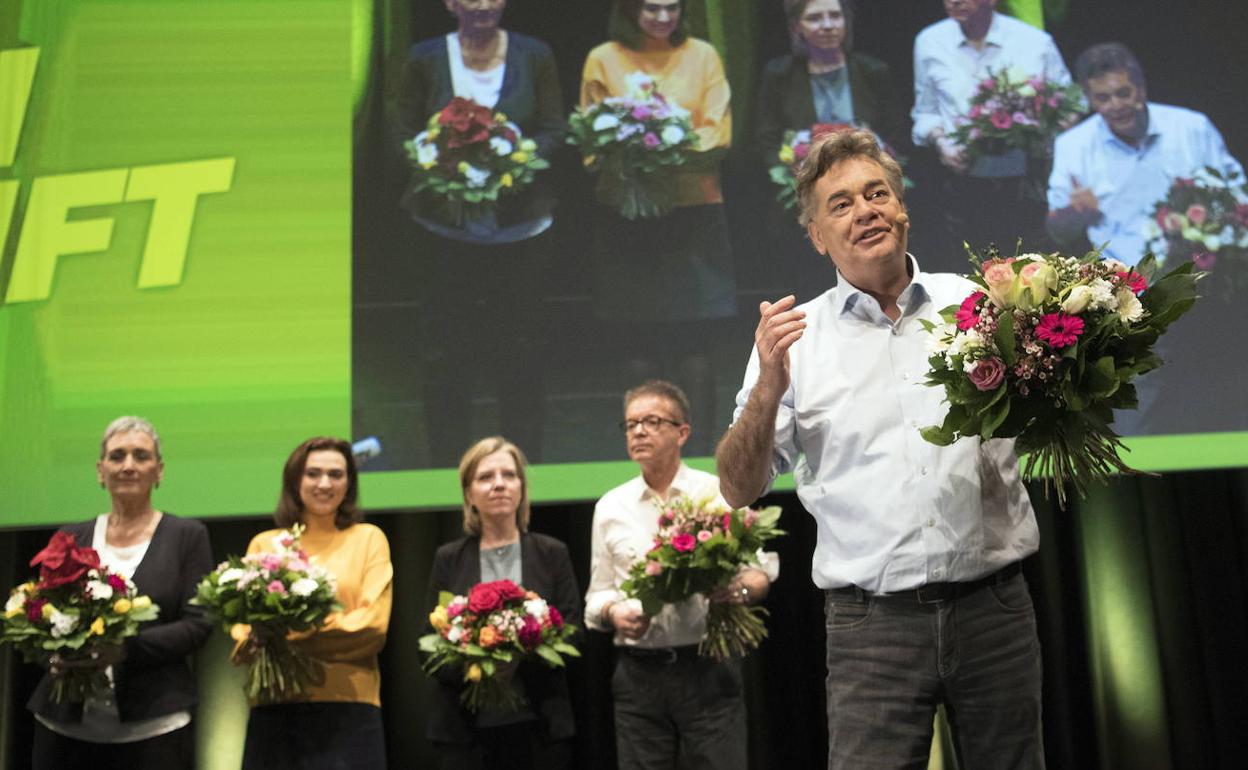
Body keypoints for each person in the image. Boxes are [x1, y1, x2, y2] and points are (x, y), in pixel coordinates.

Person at [716, 129, 1042, 769]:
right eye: (840, 204)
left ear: (902, 211)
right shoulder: (793, 343)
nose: (864, 210)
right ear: (816, 236)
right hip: (873, 627)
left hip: (995, 611)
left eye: (877, 194)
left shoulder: (978, 305)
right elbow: (736, 488)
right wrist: (767, 390)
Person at [396, 0, 565, 465]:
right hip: (442, 232)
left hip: (522, 231)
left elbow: (554, 128)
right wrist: (437, 166)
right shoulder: (425, 57)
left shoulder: (535, 54)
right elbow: (403, 129)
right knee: (445, 353)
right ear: (451, 5)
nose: (484, 5)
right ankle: (447, 463)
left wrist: (512, 161)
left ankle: (524, 465)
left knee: (522, 349)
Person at [585, 380, 778, 770]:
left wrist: (737, 592)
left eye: (652, 421)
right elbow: (597, 594)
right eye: (630, 424)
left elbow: (759, 573)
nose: (639, 431)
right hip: (638, 675)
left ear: (682, 432)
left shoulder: (717, 494)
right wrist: (612, 613)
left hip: (709, 666)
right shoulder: (611, 507)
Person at [580, 0, 737, 451]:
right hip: (625, 217)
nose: (663, 16)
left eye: (672, 7)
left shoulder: (703, 55)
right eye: (652, 7)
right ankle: (644, 458)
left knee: (695, 350)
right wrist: (632, 158)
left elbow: (717, 133)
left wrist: (660, 154)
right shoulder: (602, 58)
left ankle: (706, 462)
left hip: (694, 215)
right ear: (630, 10)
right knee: (636, 351)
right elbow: (592, 144)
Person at [27, 417, 214, 770]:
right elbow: (40, 618)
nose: (128, 465)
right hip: (64, 726)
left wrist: (124, 650)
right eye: (117, 456)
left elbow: (199, 625)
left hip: (154, 726)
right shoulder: (70, 537)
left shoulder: (187, 536)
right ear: (101, 471)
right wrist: (54, 656)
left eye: (140, 456)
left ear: (159, 470)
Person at [425, 437, 582, 769]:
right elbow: (427, 644)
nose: (499, 484)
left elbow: (574, 632)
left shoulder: (552, 553)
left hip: (540, 728)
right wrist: (477, 665)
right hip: (464, 734)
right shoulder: (448, 558)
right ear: (469, 494)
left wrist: (520, 658)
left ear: (521, 488)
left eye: (509, 475)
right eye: (485, 477)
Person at [238, 437, 393, 769]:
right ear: (295, 480)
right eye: (313, 474)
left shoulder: (369, 539)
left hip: (351, 707)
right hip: (274, 706)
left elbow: (372, 629)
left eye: (336, 475)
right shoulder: (265, 544)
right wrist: (268, 639)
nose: (325, 483)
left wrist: (284, 638)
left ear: (349, 483)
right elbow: (242, 632)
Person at [756, 0, 904, 300]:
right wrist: (794, 175)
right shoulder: (779, 74)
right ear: (797, 26)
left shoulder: (873, 70)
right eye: (815, 18)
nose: (827, 25)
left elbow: (896, 132)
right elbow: (767, 139)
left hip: (865, 196)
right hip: (803, 202)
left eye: (834, 16)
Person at [1046, 42, 1244, 266]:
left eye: (1123, 93)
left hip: (1201, 272)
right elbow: (1058, 231)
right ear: (1089, 99)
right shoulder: (1072, 145)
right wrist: (1077, 212)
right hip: (1123, 283)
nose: (1116, 105)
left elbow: (1238, 195)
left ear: (1141, 89)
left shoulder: (1192, 128)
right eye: (1103, 98)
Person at [911, 0, 1076, 265]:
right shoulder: (930, 41)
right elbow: (925, 113)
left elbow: (1072, 104)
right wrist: (942, 144)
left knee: (1033, 276)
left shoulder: (1034, 42)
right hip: (962, 186)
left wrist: (1044, 136)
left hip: (1028, 185)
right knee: (972, 278)